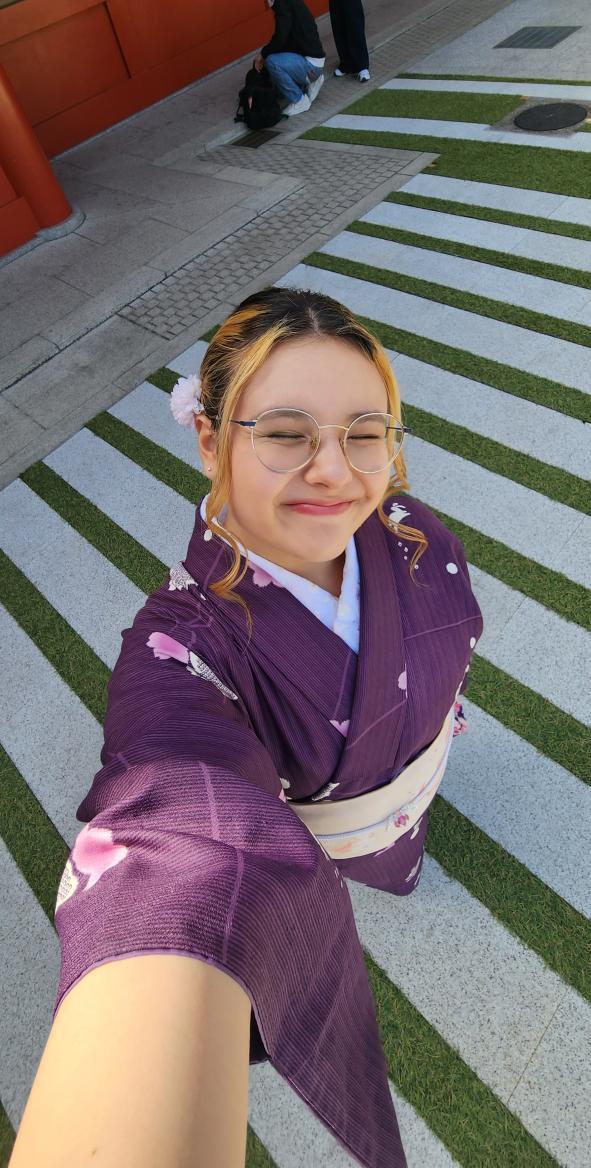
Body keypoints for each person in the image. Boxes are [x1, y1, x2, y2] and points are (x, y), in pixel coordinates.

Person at [10, 288, 482, 1168]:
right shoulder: (178, 649)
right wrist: (163, 930)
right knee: (370, 864)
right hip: (336, 826)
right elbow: (177, 826)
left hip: (411, 779)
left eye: (365, 433)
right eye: (285, 433)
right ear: (208, 439)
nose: (335, 472)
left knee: (403, 856)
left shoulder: (408, 529)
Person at [254, 0, 326, 117]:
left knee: (272, 62)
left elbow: (281, 37)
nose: (266, 0)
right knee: (273, 57)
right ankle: (313, 80)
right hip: (315, 60)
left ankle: (299, 100)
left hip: (311, 66)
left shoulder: (282, 1)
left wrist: (263, 54)